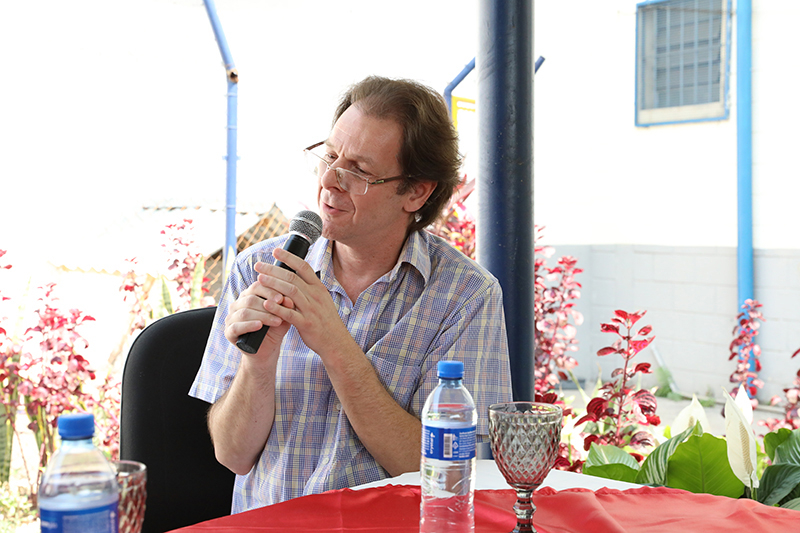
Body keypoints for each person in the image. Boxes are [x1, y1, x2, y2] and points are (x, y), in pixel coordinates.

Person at [190, 76, 513, 513]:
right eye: (329, 156)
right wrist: (258, 364)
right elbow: (232, 455)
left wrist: (336, 346)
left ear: (416, 192)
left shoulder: (466, 297)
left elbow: (452, 476)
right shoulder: (259, 268)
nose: (329, 180)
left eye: (358, 171)